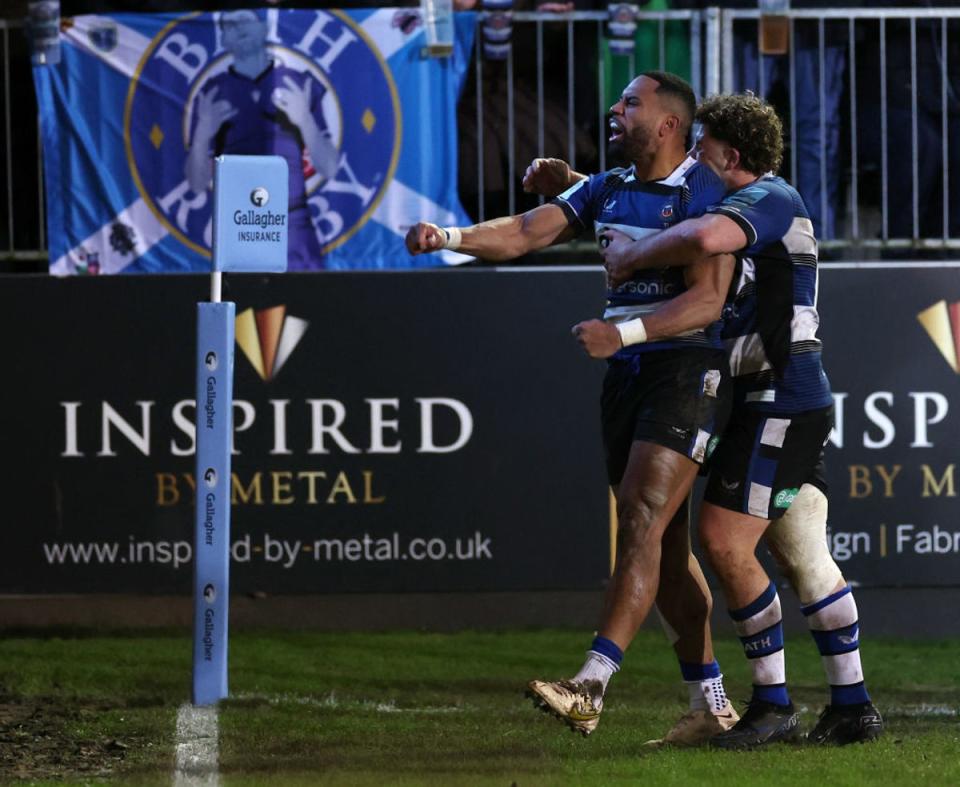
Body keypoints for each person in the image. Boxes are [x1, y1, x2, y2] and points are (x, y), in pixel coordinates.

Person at [408, 71, 741, 744]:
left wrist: (624, 330)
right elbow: (527, 231)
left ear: (669, 124)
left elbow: (707, 300)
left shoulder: (707, 191)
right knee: (665, 551)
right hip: (625, 375)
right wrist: (448, 238)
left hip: (686, 366)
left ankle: (590, 683)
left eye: (630, 103)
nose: (614, 109)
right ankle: (712, 702)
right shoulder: (607, 187)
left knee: (642, 516)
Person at [584, 92, 883, 747]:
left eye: (705, 146)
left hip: (779, 392)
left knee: (722, 538)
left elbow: (702, 237)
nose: (693, 155)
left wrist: (632, 257)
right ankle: (852, 704)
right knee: (801, 550)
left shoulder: (768, 198)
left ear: (733, 155)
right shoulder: (737, 199)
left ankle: (773, 704)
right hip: (766, 393)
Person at [184, 9, 338, 270]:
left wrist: (305, 121)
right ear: (223, 40)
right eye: (230, 25)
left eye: (246, 20)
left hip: (294, 223)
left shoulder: (300, 83)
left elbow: (329, 168)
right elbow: (197, 185)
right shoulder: (212, 92)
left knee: (306, 305)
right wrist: (201, 136)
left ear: (265, 29)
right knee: (239, 304)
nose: (239, 27)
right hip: (238, 222)